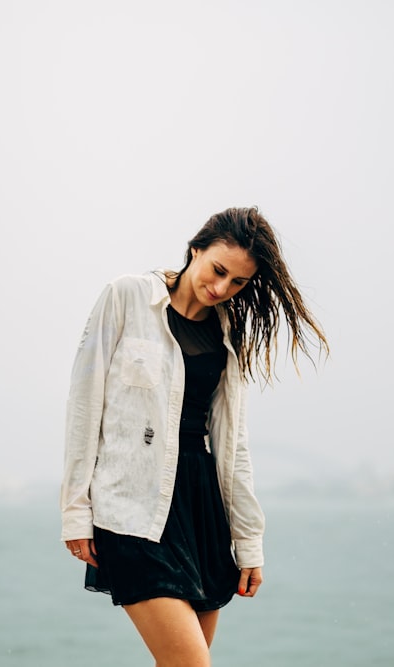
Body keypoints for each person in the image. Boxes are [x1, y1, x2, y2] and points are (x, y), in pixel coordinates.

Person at [60, 206, 328, 666]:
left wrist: (249, 543)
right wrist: (75, 513)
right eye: (218, 270)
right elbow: (85, 406)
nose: (222, 288)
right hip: (132, 509)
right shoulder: (126, 297)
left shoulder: (229, 333)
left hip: (202, 509)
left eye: (238, 283)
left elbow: (232, 444)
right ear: (195, 249)